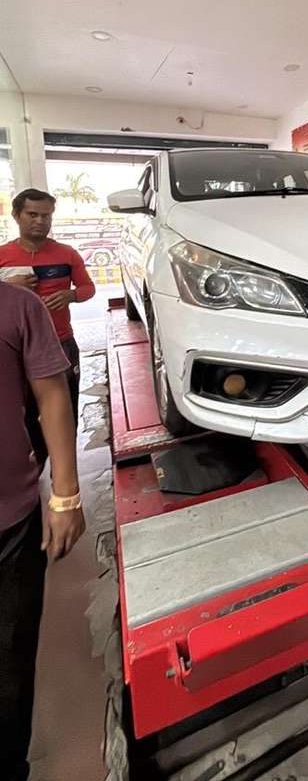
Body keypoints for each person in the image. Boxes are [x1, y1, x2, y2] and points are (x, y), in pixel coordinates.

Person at [0, 281, 86, 781]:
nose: (40, 220)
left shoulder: (16, 304)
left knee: (9, 669)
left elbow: (52, 397)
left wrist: (65, 495)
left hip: (10, 519)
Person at [0, 188, 96, 427]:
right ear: (16, 215)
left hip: (60, 343)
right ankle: (31, 462)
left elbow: (88, 288)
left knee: (64, 414)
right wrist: (7, 287)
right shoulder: (2, 255)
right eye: (32, 214)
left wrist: (71, 295)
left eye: (46, 215)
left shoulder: (67, 254)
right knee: (20, 417)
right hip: (13, 348)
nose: (40, 221)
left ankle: (63, 463)